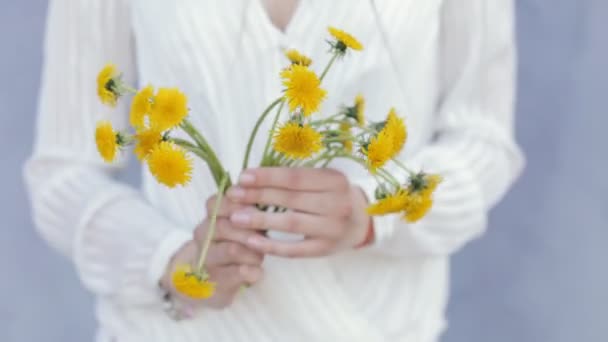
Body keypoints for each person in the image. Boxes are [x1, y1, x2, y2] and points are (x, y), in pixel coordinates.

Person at [24, 0, 524, 341]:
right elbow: (62, 174)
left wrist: (373, 212)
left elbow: (482, 141)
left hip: (378, 327)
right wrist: (169, 259)